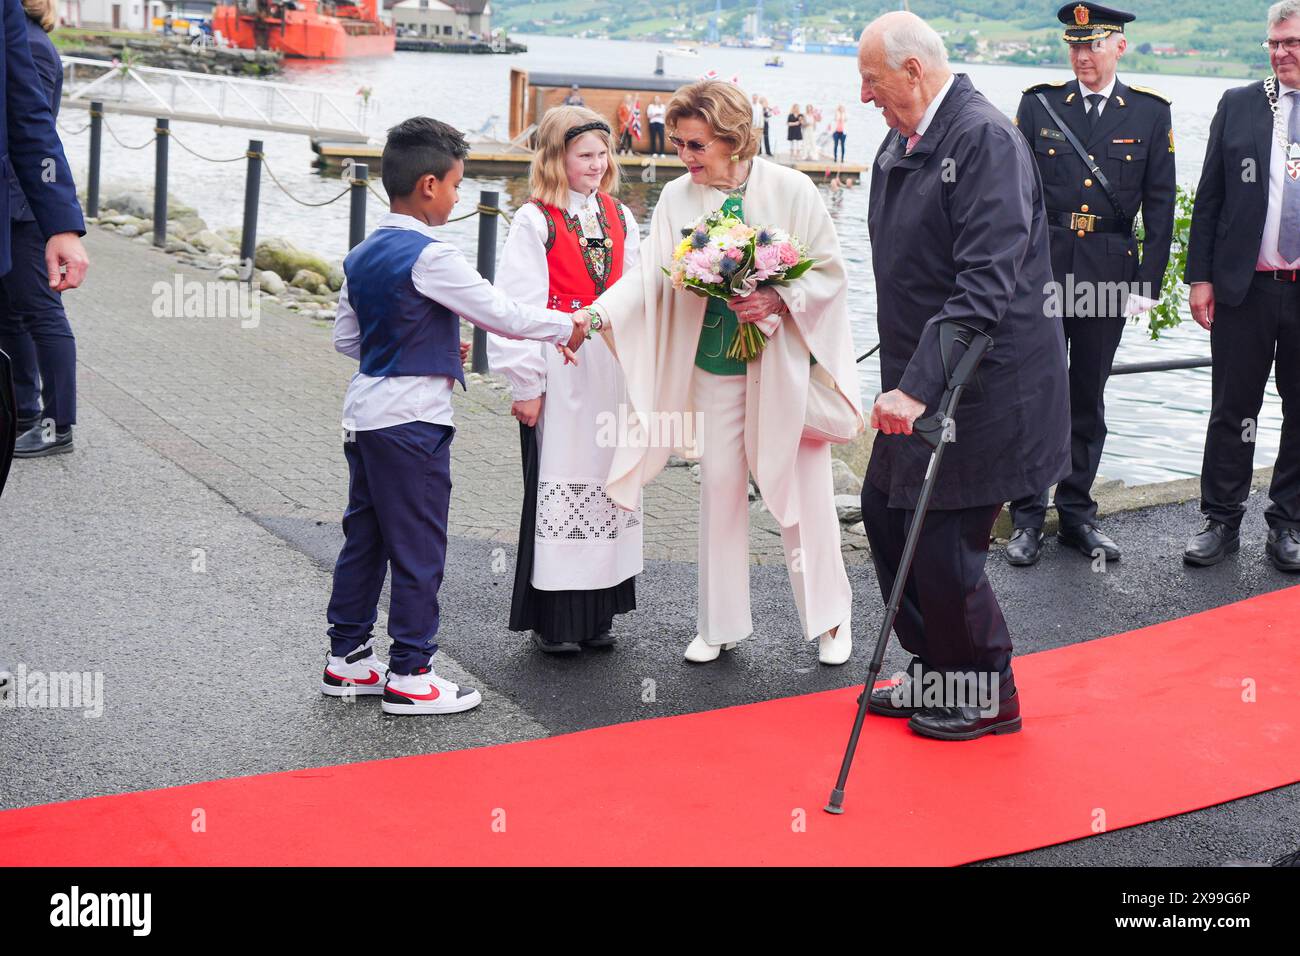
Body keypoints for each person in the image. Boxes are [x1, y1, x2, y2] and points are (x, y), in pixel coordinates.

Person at [586, 79, 864, 667]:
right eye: (680, 144)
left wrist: (778, 300)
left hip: (783, 367)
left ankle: (831, 618)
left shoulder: (791, 189)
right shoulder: (675, 200)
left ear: (734, 140)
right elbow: (651, 275)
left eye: (695, 146)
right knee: (719, 492)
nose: (684, 158)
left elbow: (832, 274)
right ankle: (719, 623)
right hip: (712, 366)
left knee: (806, 492)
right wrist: (596, 314)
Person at [321, 117, 588, 715]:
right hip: (412, 420)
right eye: (456, 185)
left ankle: (347, 660)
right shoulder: (432, 255)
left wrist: (424, 342)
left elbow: (346, 339)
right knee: (420, 546)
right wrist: (573, 323)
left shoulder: (361, 253)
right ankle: (412, 674)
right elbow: (503, 314)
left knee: (364, 539)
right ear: (428, 186)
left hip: (365, 415)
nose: (459, 196)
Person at [857, 12, 1070, 740]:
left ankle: (987, 690)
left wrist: (917, 388)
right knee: (888, 517)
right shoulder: (906, 135)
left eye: (872, 81)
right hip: (919, 375)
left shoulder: (983, 140)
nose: (863, 97)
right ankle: (937, 665)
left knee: (945, 547)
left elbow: (983, 283)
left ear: (913, 71)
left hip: (980, 386)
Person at [1005, 3, 1176, 567]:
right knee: (1036, 393)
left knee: (1087, 395)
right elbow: (1016, 194)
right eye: (1074, 45)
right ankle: (1027, 517)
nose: (1082, 55)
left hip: (1107, 274)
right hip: (1045, 271)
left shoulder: (1150, 114)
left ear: (1119, 46)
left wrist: (1148, 282)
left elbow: (1160, 203)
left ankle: (1076, 512)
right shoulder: (1040, 104)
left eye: (1093, 44)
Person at [488, 106, 643, 653]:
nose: (597, 164)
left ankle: (599, 613)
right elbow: (515, 304)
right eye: (585, 155)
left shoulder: (621, 215)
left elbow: (636, 292)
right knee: (558, 482)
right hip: (560, 365)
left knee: (606, 481)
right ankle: (556, 621)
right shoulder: (535, 220)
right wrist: (526, 384)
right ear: (556, 158)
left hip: (610, 370)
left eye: (603, 154)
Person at [1182, 0, 1300, 572]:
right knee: (1233, 408)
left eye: (1291, 42)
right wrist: (1199, 277)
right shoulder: (1240, 105)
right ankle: (1221, 521)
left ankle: (1289, 525)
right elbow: (1209, 198)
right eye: (1273, 43)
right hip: (1244, 287)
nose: (1281, 53)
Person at [0, 0, 87, 458]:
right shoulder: (34, 40)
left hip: (23, 206)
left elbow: (32, 127)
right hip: (19, 202)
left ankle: (57, 424)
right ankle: (27, 411)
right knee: (11, 313)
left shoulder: (31, 46)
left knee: (42, 314)